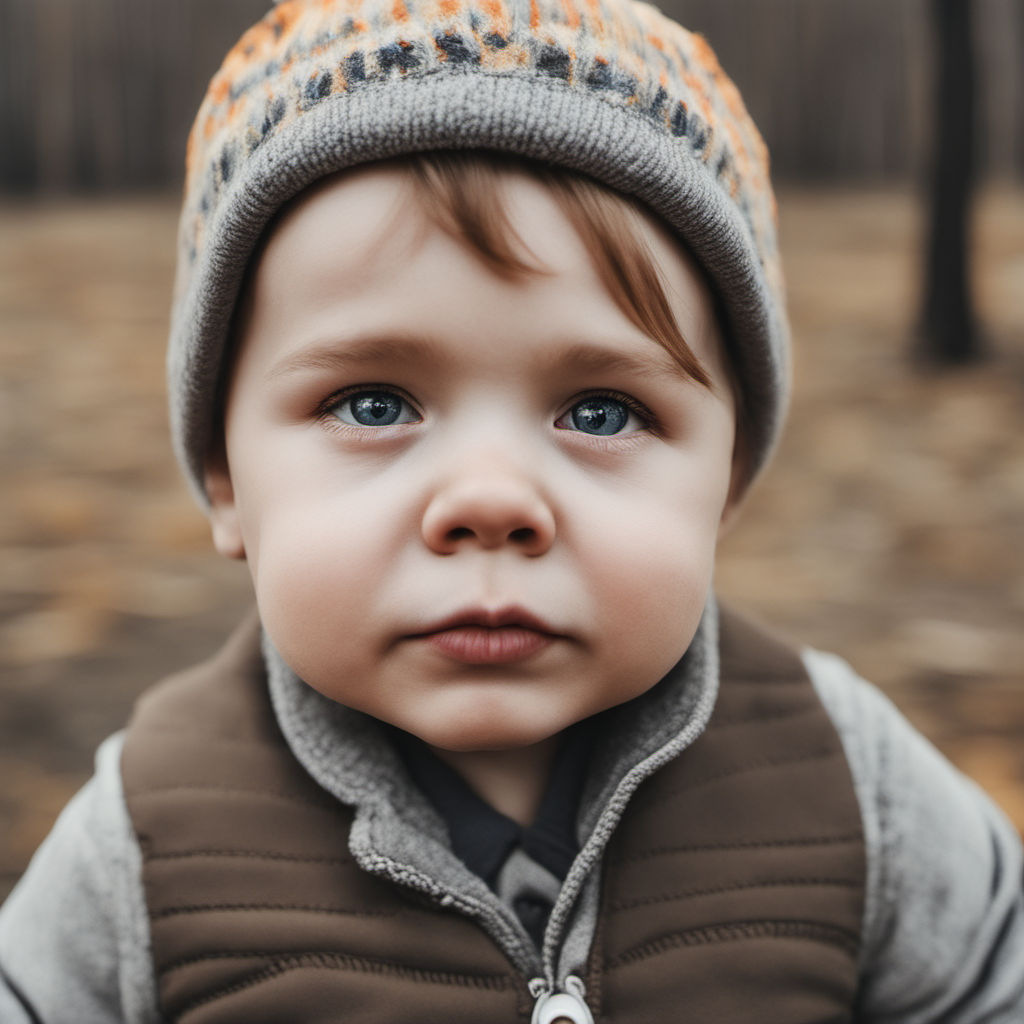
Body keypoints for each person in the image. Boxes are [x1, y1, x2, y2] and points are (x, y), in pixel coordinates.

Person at [1, 0, 1021, 1020]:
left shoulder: (851, 781)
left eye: (599, 410)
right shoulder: (140, 847)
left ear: (728, 480)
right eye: (373, 403)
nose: (490, 501)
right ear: (225, 476)